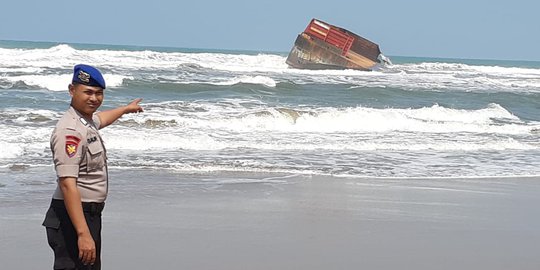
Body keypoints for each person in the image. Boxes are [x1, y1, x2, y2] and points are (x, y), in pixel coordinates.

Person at [42, 64, 143, 270]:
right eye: (88, 92)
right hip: (73, 219)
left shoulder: (84, 121)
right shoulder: (70, 131)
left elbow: (101, 119)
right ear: (72, 91)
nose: (94, 98)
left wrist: (125, 109)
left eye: (98, 93)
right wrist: (83, 233)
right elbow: (68, 184)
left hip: (87, 215)